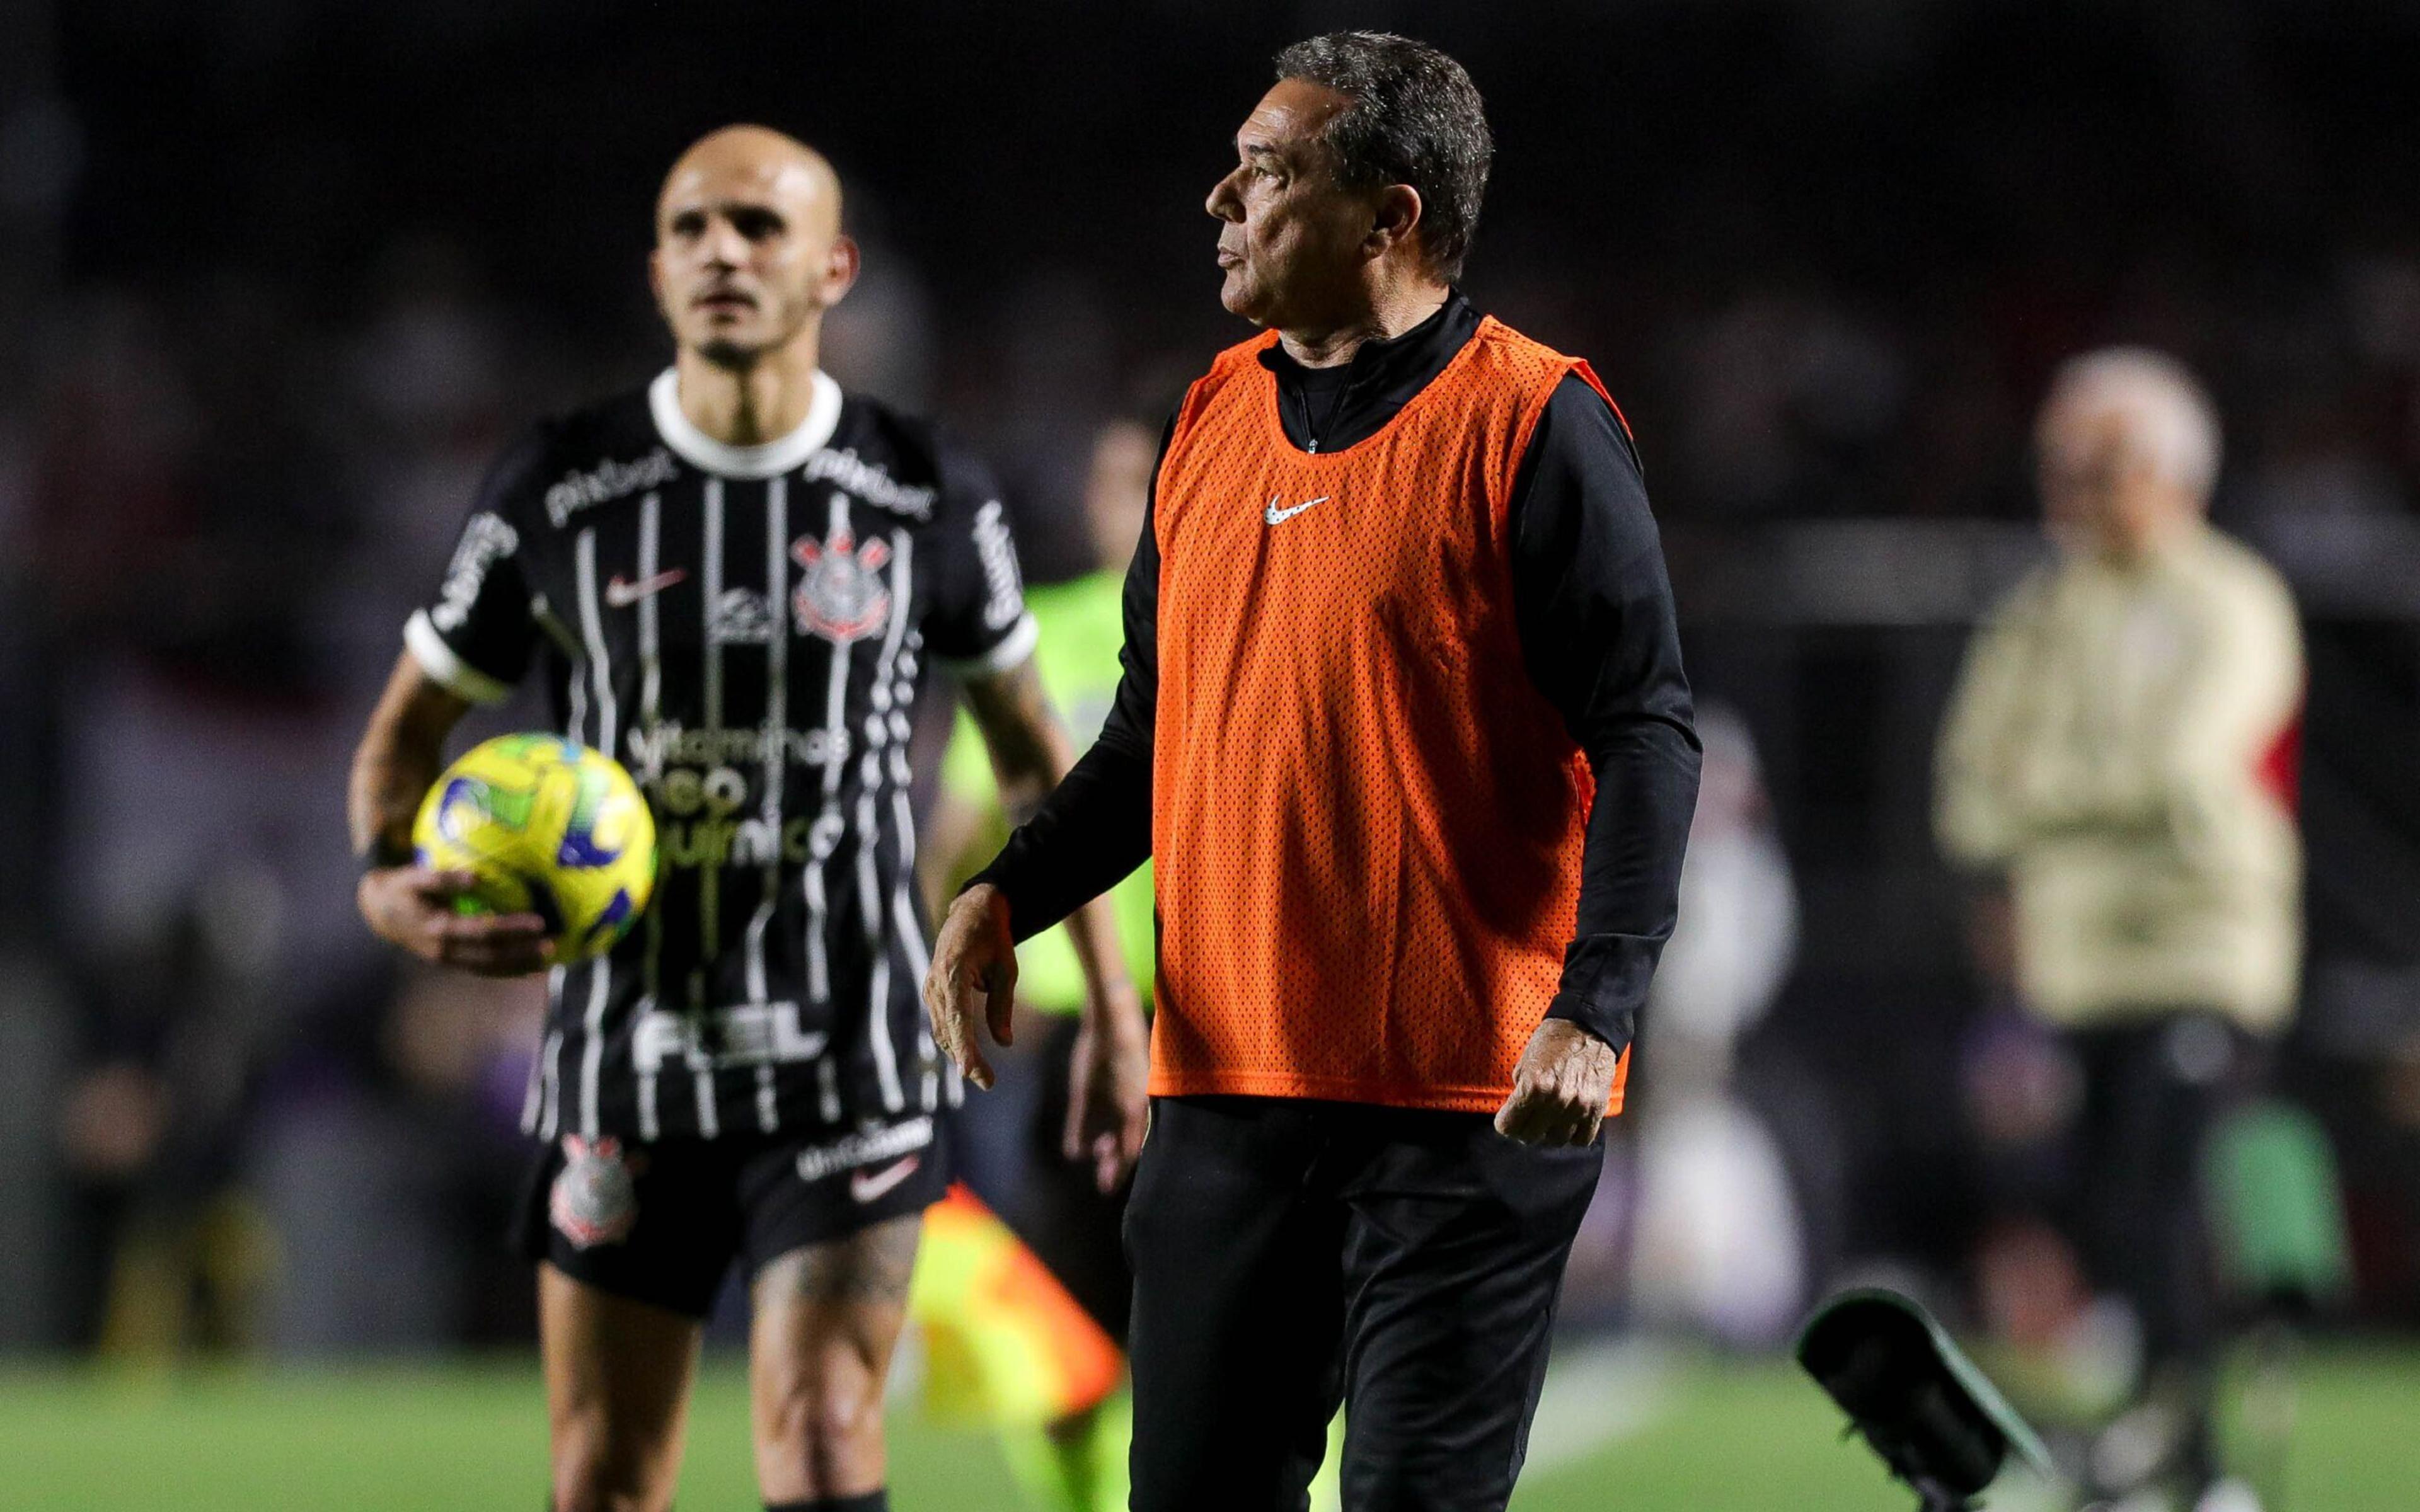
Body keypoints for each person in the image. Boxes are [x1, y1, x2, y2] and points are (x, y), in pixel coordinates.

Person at [925, 33, 1699, 1512]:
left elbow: (1649, 731)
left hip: (1465, 1103)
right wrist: (1004, 896)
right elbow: (1156, 740)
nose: (1220, 197)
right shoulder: (1208, 418)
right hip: (1223, 1097)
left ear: (1390, 218)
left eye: (1268, 172)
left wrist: (1595, 1011)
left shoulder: (1536, 422)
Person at [347, 125, 1147, 1512]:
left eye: (761, 228)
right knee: (605, 1473)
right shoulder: (559, 488)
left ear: (833, 268)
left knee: (829, 1435)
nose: (726, 250)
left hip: (851, 1055)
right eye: (695, 228)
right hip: (624, 1061)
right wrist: (382, 880)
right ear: (656, 271)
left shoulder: (924, 490)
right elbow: (406, 734)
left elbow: (1034, 762)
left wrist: (1116, 1013)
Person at [1935, 348, 2302, 1512]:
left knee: (2165, 1198)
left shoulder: (2230, 596)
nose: (2067, 491)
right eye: (2058, 466)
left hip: (2204, 954)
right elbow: (1964, 794)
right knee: (2102, 1212)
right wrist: (2089, 795)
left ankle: (2202, 1463)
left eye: (2093, 466)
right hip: (2076, 971)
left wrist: (2045, 795)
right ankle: (2152, 1442)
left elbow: (2186, 763)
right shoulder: (2041, 613)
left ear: (2166, 468)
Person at [918, 411, 1165, 1512]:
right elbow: (960, 835)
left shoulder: (1253, 627)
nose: (1128, 507)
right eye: (1113, 483)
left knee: (1270, 1307)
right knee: (1067, 1318)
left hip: (1239, 1020)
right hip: (1069, 1042)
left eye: (1147, 481)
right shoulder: (1044, 639)